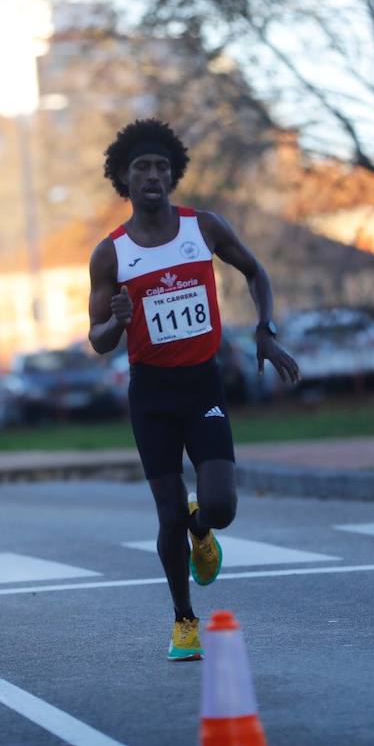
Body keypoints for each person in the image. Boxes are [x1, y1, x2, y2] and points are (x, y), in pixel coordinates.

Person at [86, 118, 300, 661]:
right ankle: (183, 621)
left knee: (221, 504)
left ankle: (202, 531)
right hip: (151, 395)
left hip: (202, 383)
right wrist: (117, 319)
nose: (153, 175)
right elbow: (98, 340)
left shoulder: (201, 229)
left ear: (173, 174)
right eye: (141, 168)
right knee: (165, 515)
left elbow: (256, 273)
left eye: (161, 166)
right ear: (124, 179)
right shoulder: (110, 254)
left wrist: (265, 329)